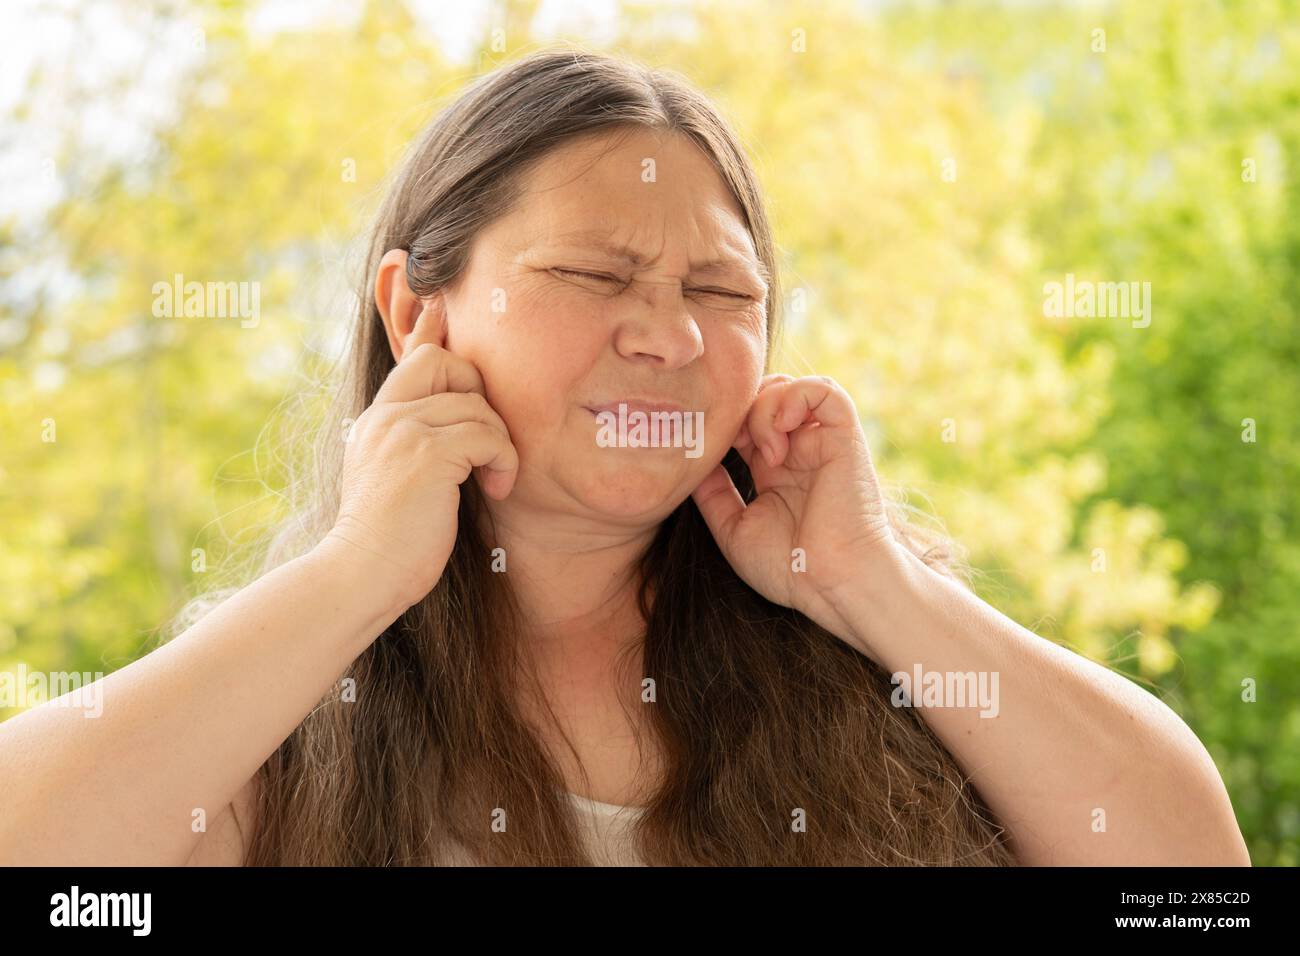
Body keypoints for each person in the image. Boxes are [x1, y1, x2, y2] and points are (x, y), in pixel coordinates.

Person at [0, 48, 1250, 867]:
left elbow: (1189, 875)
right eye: (594, 275)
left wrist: (876, 586)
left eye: (722, 288)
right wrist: (354, 579)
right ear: (415, 311)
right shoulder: (279, 709)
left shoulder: (885, 663)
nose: (668, 334)